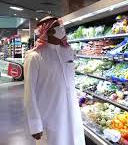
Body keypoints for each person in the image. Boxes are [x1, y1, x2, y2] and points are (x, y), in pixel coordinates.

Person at [23, 16, 85, 145]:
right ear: (48, 31)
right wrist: (35, 124)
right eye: (58, 27)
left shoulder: (67, 51)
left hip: (72, 112)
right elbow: (29, 93)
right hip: (50, 115)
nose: (62, 29)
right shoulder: (34, 57)